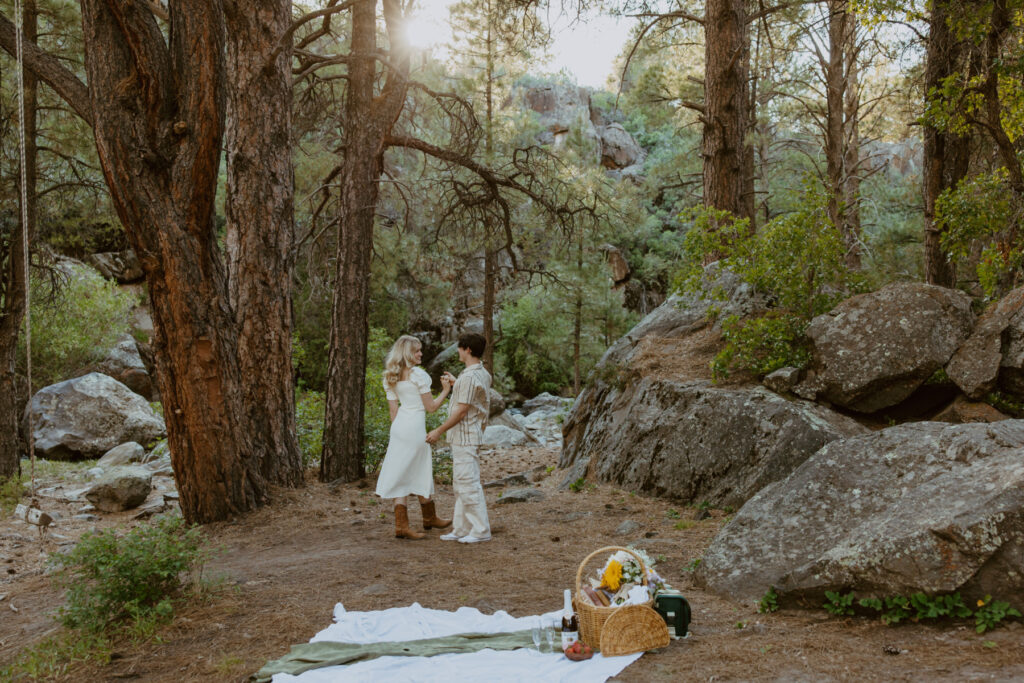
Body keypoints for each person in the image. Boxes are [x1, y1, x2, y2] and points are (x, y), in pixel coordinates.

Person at [376, 335, 453, 540]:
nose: (420, 354)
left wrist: (397, 434)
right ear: (407, 352)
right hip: (414, 427)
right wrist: (446, 390)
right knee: (417, 469)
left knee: (406, 469)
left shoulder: (390, 376)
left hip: (399, 428)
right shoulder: (418, 375)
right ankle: (420, 520)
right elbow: (431, 408)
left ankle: (421, 520)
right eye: (417, 350)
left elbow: (393, 411)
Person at [426, 332, 492, 544]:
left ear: (468, 350)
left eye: (460, 348)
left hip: (466, 436)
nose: (457, 351)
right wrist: (457, 383)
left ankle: (481, 530)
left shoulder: (470, 377)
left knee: (468, 482)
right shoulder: (481, 374)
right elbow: (475, 397)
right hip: (468, 436)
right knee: (461, 483)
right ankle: (462, 528)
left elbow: (462, 411)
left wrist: (438, 430)